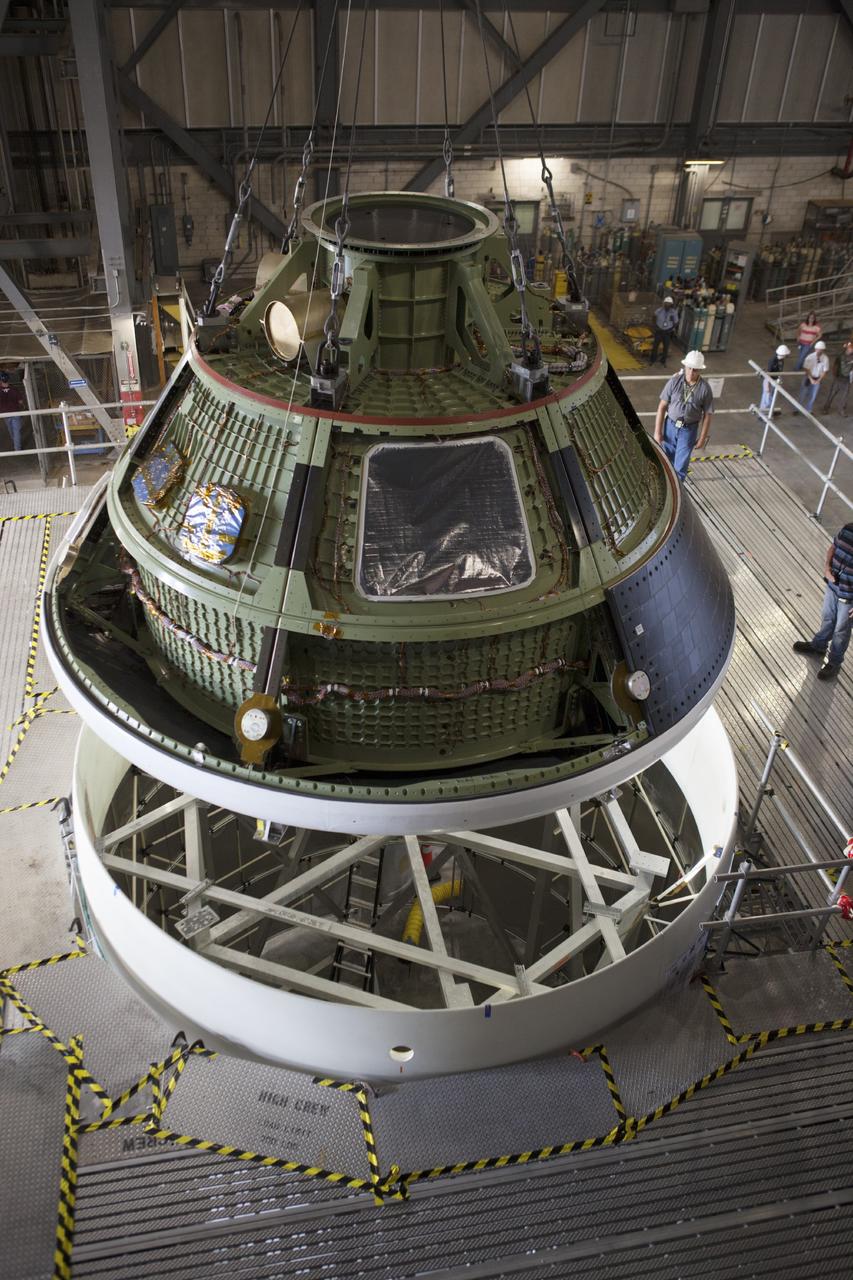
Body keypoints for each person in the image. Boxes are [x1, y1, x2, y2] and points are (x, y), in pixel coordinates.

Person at [792, 522, 853, 680]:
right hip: (833, 587)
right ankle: (818, 646)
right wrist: (827, 567)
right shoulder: (848, 529)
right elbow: (833, 548)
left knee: (841, 630)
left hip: (849, 597)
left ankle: (834, 662)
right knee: (827, 617)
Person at [653, 350, 714, 482]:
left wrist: (702, 438)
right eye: (689, 368)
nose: (691, 372)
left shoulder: (705, 389)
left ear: (700, 370)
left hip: (688, 430)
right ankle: (663, 485)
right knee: (665, 459)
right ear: (685, 366)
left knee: (680, 466)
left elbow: (707, 415)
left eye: (695, 370)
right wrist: (657, 432)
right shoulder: (674, 382)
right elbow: (662, 406)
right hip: (670, 426)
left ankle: (677, 489)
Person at [822, 338, 853, 415]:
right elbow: (835, 365)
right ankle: (826, 408)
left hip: (847, 379)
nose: (851, 350)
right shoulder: (840, 356)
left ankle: (841, 410)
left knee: (844, 396)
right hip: (838, 378)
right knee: (832, 394)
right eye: (850, 348)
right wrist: (835, 375)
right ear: (847, 348)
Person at [798, 340, 829, 413]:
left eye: (821, 350)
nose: (819, 351)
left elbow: (825, 371)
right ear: (815, 349)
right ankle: (797, 409)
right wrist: (811, 378)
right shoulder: (810, 357)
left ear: (823, 350)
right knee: (802, 394)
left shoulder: (825, 359)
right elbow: (806, 369)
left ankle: (809, 409)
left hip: (817, 378)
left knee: (813, 395)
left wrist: (819, 380)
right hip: (808, 378)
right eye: (818, 349)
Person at [760, 343, 790, 413]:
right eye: (785, 355)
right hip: (769, 381)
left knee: (771, 397)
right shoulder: (773, 360)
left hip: (775, 380)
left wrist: (779, 378)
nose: (786, 356)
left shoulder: (781, 360)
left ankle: (770, 411)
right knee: (766, 399)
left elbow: (780, 370)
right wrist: (767, 385)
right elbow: (768, 373)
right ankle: (762, 414)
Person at [649, 296, 679, 366]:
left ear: (671, 304)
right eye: (666, 303)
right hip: (659, 331)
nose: (667, 305)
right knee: (655, 346)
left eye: (669, 303)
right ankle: (652, 360)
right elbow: (653, 317)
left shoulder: (673, 312)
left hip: (667, 332)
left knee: (666, 347)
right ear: (664, 303)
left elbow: (676, 322)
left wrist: (670, 329)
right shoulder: (659, 311)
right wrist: (655, 327)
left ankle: (663, 361)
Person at [0, 370, 24, 451]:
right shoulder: (14, 389)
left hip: (5, 414)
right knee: (16, 431)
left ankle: (16, 445)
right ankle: (17, 448)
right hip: (15, 412)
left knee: (11, 431)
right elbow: (20, 401)